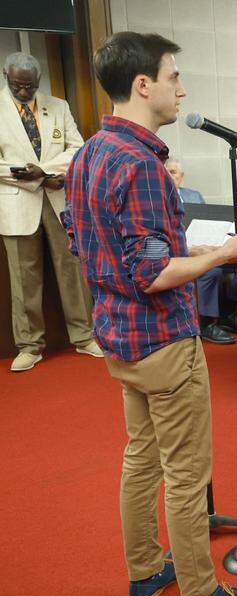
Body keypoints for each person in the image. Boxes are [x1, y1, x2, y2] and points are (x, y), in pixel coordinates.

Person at [66, 31, 237, 596]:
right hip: (162, 339)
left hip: (119, 337)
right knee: (186, 474)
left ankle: (144, 571)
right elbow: (153, 272)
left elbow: (88, 243)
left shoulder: (89, 154)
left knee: (141, 459)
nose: (181, 90)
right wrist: (223, 253)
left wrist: (189, 250)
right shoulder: (143, 166)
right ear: (143, 85)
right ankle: (200, 595)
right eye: (173, 77)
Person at [0, 51, 101, 372]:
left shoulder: (58, 106)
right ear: (5, 76)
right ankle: (29, 346)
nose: (24, 91)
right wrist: (33, 177)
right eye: (17, 85)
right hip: (17, 200)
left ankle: (84, 336)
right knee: (24, 277)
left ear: (39, 80)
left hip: (59, 197)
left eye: (29, 86)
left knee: (72, 268)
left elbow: (78, 148)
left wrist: (44, 172)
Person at [162, 158, 237, 345]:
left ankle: (227, 314)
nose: (170, 176)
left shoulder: (194, 196)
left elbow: (209, 222)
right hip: (180, 251)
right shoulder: (157, 198)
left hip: (205, 246)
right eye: (166, 172)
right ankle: (206, 323)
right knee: (211, 271)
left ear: (181, 177)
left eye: (173, 172)